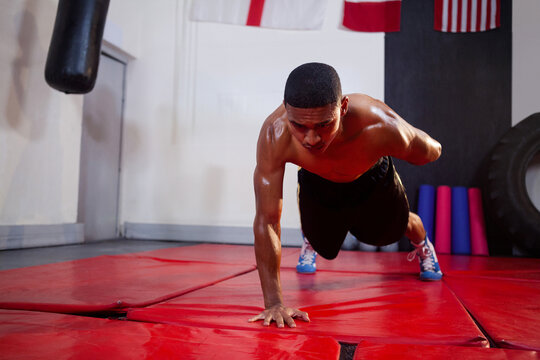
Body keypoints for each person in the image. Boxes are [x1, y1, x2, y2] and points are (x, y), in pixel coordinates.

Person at [249, 62, 442, 329]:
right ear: (286, 108)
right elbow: (267, 219)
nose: (311, 139)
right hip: (318, 184)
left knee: (388, 233)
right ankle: (311, 241)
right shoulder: (275, 133)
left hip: (371, 180)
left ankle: (422, 244)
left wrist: (421, 147)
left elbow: (431, 150)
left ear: (343, 107)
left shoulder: (378, 125)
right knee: (322, 244)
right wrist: (273, 303)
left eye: (324, 125)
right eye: (299, 126)